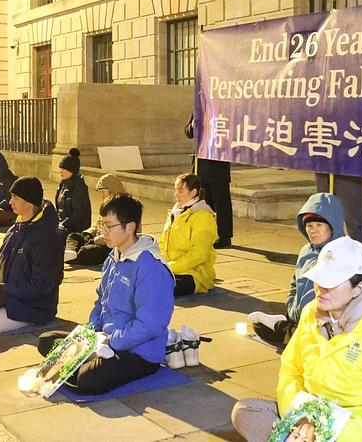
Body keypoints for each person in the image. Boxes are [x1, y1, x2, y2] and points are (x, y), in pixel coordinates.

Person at [232, 237, 362, 442]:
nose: (321, 288)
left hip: (355, 431)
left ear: (358, 288)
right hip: (309, 417)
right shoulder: (311, 312)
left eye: (331, 283)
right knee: (246, 411)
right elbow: (291, 370)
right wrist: (301, 420)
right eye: (319, 279)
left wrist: (327, 432)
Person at [37, 194, 174, 394]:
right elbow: (101, 301)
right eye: (102, 224)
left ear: (130, 227)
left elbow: (149, 325)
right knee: (46, 340)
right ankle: (87, 361)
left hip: (137, 351)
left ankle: (84, 365)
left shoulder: (150, 267)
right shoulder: (114, 255)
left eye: (109, 226)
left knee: (88, 380)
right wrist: (91, 331)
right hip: (104, 339)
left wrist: (111, 341)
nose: (103, 232)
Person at [249, 192, 362, 347]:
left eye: (319, 225)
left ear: (333, 226)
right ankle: (288, 325)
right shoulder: (306, 251)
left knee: (309, 341)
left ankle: (286, 328)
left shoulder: (342, 254)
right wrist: (291, 307)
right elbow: (294, 284)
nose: (313, 230)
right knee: (260, 327)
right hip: (299, 315)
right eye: (309, 226)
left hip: (325, 320)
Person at [0, 177, 64, 335]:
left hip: (36, 306)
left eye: (15, 197)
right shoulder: (16, 228)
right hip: (10, 295)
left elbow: (42, 285)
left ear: (29, 202)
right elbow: (3, 264)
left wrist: (5, 290)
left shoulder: (46, 237)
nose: (10, 202)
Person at [160, 173, 218, 296]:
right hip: (170, 269)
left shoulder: (203, 216)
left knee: (158, 289)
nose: (176, 195)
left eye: (181, 191)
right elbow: (162, 243)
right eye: (176, 190)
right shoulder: (175, 212)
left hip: (194, 273)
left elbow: (199, 254)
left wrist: (170, 267)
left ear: (193, 192)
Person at [185, 114, 234, 248]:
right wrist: (193, 125)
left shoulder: (224, 111)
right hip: (200, 163)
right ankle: (207, 233)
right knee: (204, 202)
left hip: (218, 162)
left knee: (221, 203)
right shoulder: (198, 109)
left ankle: (224, 236)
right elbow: (188, 132)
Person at [64, 173, 125, 266]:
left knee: (87, 251)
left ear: (112, 191)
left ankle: (71, 257)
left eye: (103, 192)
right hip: (98, 238)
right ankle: (70, 252)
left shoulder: (122, 209)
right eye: (100, 192)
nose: (101, 195)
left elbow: (118, 235)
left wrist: (96, 240)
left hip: (110, 245)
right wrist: (88, 233)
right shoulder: (106, 205)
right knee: (74, 236)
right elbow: (98, 225)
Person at [55, 148, 92, 240]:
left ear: (72, 171)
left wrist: (63, 224)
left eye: (64, 169)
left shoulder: (79, 188)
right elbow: (59, 208)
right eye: (61, 168)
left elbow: (79, 214)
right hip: (63, 225)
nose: (61, 171)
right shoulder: (62, 184)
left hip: (75, 229)